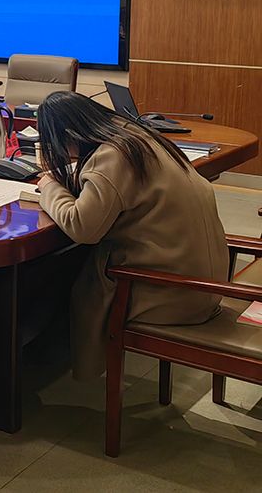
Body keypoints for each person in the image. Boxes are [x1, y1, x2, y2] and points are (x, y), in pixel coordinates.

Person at [36, 91, 229, 380]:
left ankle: (41, 364)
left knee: (57, 277)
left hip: (172, 294)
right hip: (205, 283)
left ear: (68, 135)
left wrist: (49, 186)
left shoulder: (113, 156)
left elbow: (82, 227)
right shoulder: (138, 137)